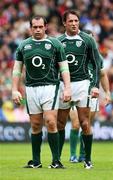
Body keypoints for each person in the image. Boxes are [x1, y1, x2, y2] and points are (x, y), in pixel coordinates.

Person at [12, 15, 71, 169]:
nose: (37, 29)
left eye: (40, 26)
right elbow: (17, 69)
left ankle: (56, 161)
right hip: (31, 88)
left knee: (51, 121)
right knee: (36, 125)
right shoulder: (23, 45)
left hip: (50, 86)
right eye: (34, 27)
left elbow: (64, 68)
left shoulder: (55, 44)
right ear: (30, 28)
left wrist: (68, 87)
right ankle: (36, 161)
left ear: (45, 27)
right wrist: (14, 90)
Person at [57, 10, 102, 169]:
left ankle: (87, 159)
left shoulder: (87, 40)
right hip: (64, 86)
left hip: (82, 84)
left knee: (84, 123)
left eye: (76, 21)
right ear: (64, 23)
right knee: (61, 123)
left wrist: (95, 86)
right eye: (71, 21)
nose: (74, 24)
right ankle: (57, 160)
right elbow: (54, 66)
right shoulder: (58, 41)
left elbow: (96, 64)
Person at [69, 30, 111, 163]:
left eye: (92, 40)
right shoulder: (75, 54)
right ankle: (72, 155)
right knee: (75, 124)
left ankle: (83, 154)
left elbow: (103, 75)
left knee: (86, 125)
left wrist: (107, 93)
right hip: (75, 91)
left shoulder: (97, 57)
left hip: (92, 94)